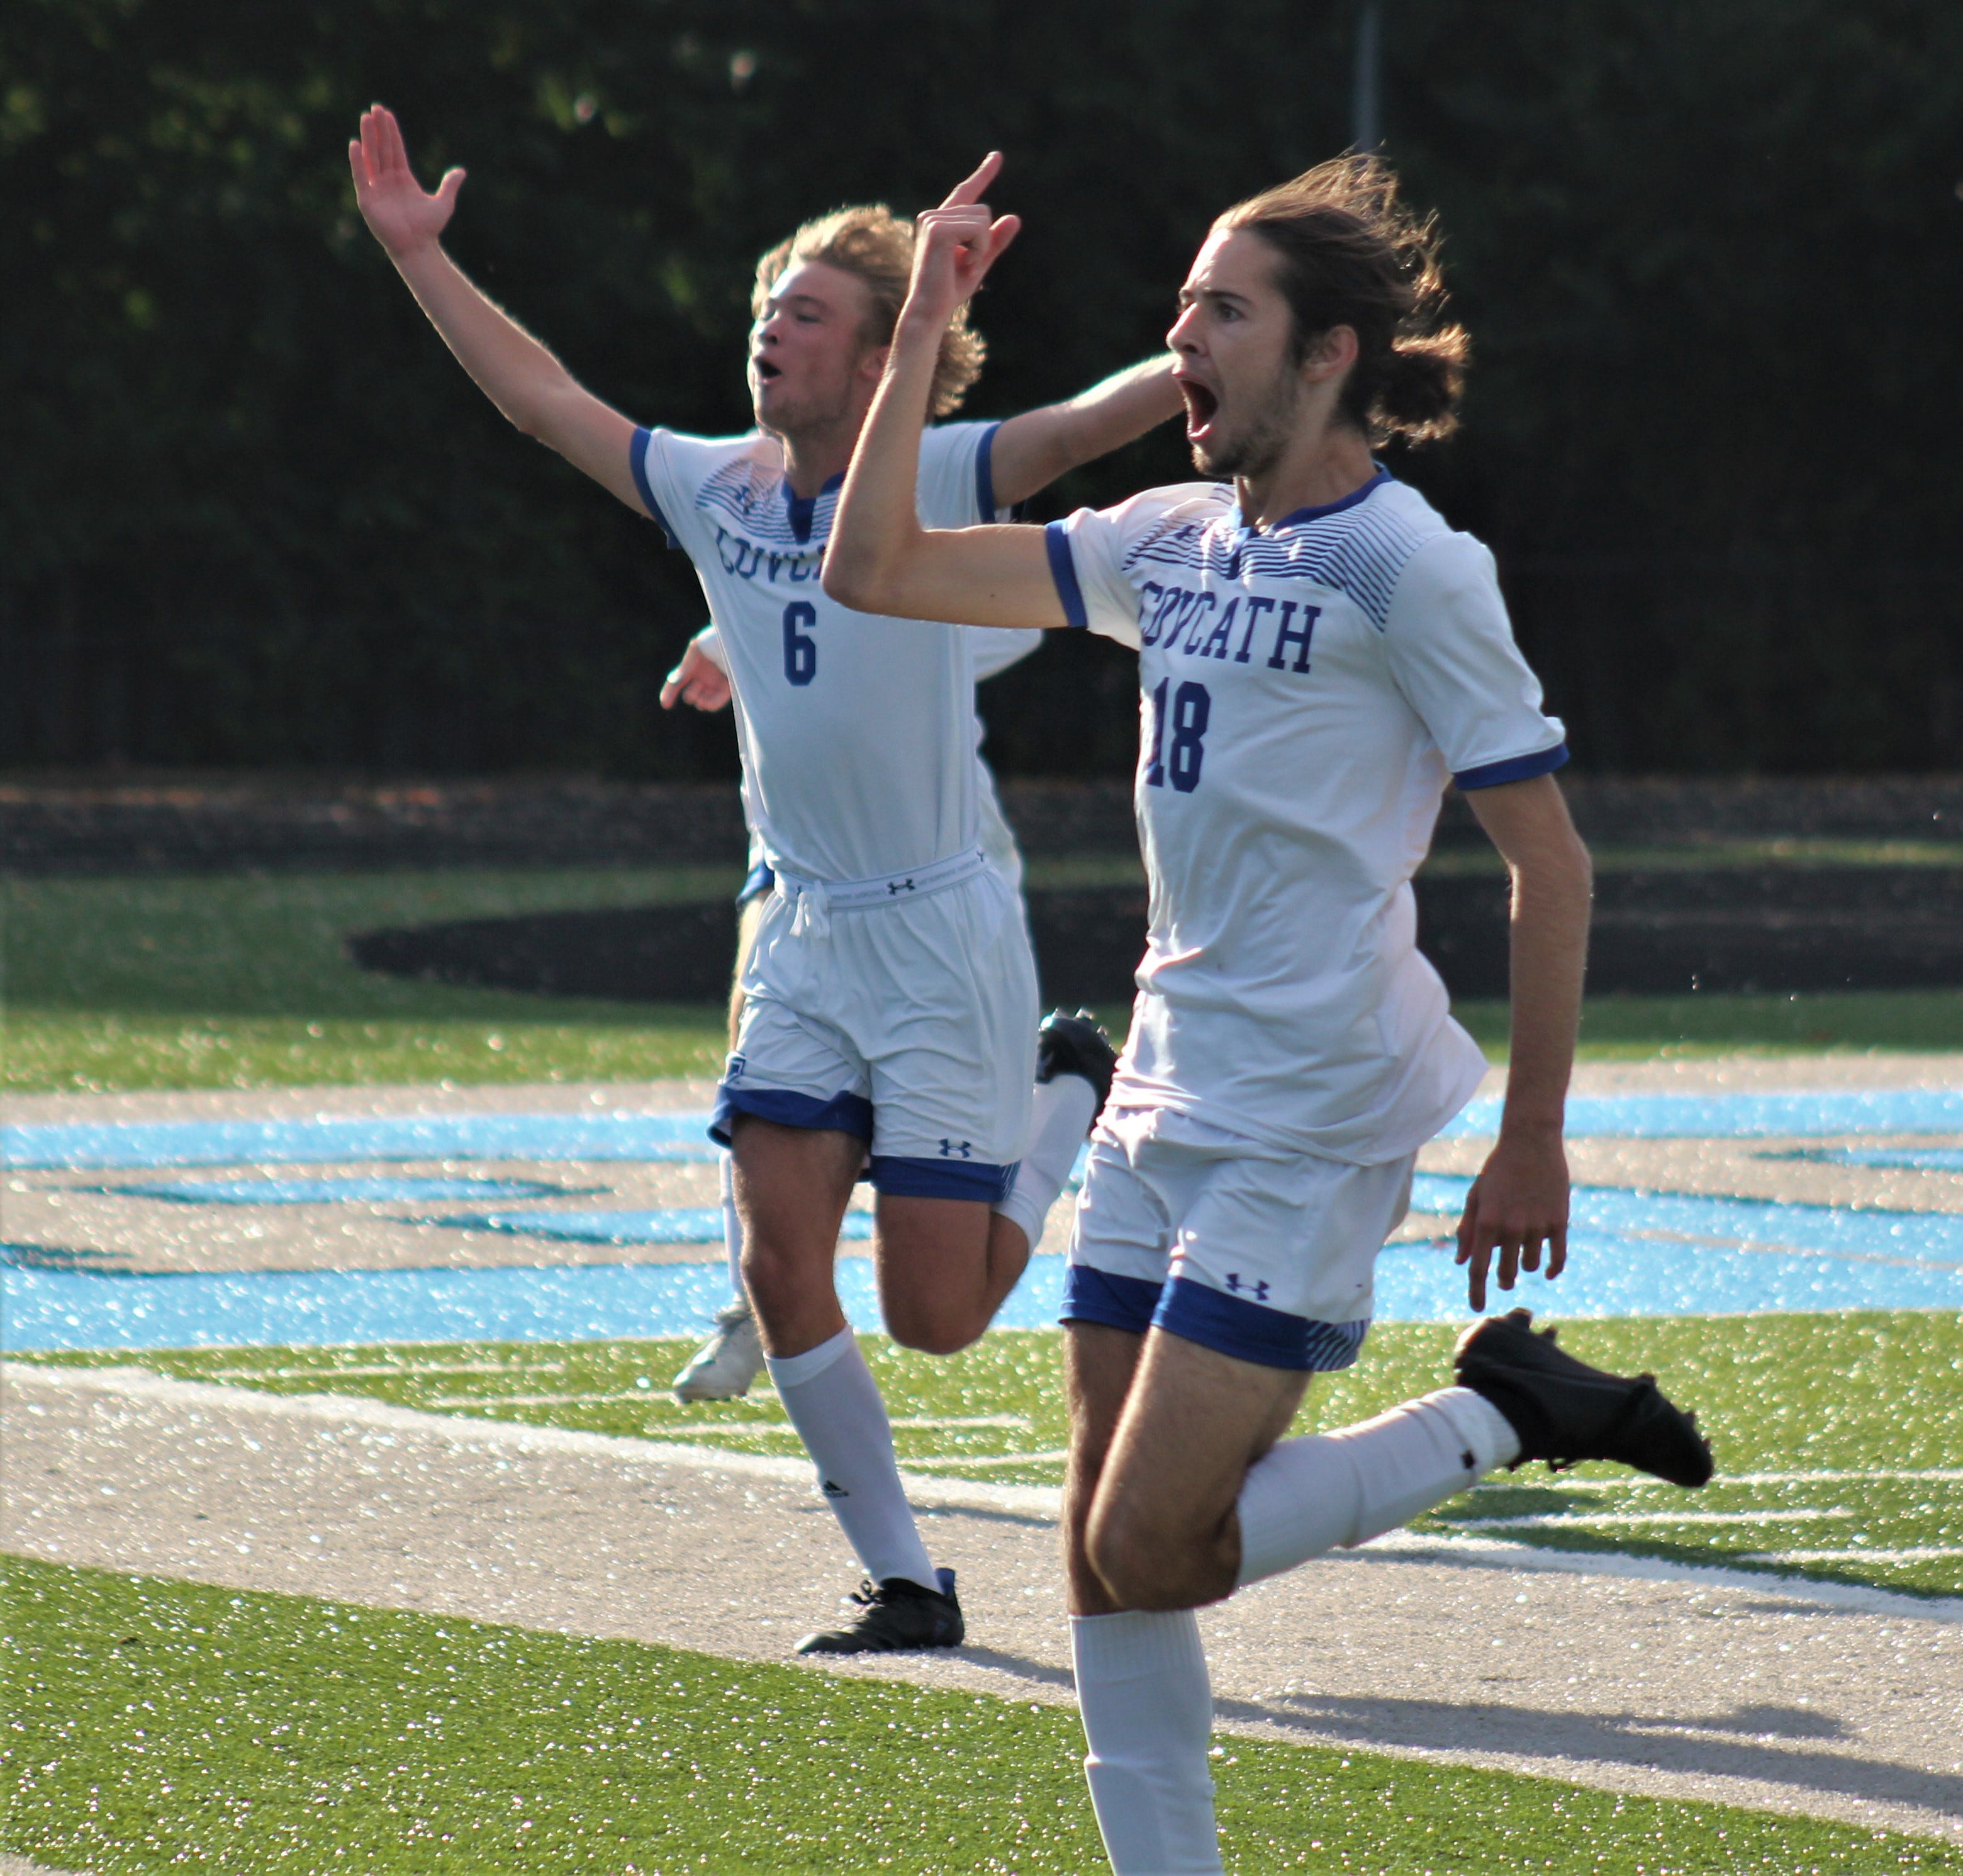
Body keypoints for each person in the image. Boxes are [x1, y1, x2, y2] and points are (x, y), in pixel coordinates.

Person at [824, 152, 1714, 1871]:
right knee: (1097, 1546)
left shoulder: (1409, 567)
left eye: (1221, 310)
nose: (1181, 340)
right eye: (1180, 306)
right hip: (1161, 1089)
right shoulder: (1172, 536)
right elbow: (871, 567)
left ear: (1327, 354)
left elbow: (1550, 866)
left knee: (1154, 1540)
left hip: (1309, 1110)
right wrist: (924, 319)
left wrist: (1531, 1136)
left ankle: (1502, 1412)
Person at [349, 105, 1177, 1654]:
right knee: (777, 1256)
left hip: (940, 934)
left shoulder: (935, 468)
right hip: (798, 929)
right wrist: (419, 257)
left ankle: (1066, 1090)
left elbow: (1075, 431)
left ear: (875, 358)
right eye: (765, 311)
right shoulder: (716, 485)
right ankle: (907, 1578)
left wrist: (1209, 358)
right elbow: (542, 401)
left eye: (804, 314)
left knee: (937, 1314)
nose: (768, 331)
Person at [661, 619, 1046, 1405]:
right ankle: (752, 1305)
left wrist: (764, 639)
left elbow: (1020, 617)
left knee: (933, 1311)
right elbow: (760, 578)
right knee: (752, 1028)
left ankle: (1061, 1099)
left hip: (931, 852)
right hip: (802, 839)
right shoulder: (753, 544)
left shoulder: (923, 539)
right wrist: (733, 635)